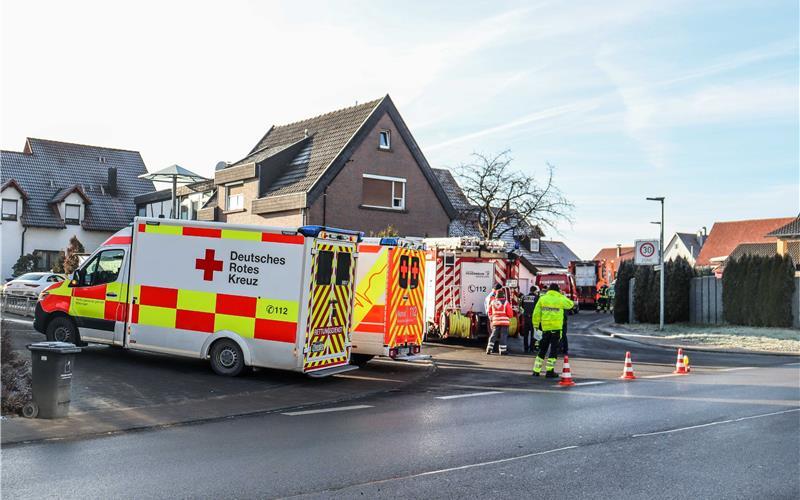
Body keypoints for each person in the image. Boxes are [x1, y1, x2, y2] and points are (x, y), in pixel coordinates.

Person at [532, 283, 575, 378]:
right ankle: (549, 371)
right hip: (556, 328)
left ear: (549, 290)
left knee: (542, 349)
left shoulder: (542, 299)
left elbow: (536, 313)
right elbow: (570, 304)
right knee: (553, 350)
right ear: (558, 290)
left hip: (545, 328)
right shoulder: (560, 299)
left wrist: (536, 325)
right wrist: (561, 295)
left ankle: (536, 370)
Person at [486, 288, 513, 355]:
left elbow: (489, 312)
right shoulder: (506, 302)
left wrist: (491, 318)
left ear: (496, 295)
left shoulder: (492, 302)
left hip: (495, 322)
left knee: (493, 335)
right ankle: (502, 351)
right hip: (504, 323)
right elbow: (510, 314)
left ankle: (489, 349)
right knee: (503, 336)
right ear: (503, 295)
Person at [520, 286, 540, 353]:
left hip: (525, 317)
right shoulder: (536, 297)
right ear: (535, 291)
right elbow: (538, 307)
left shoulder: (524, 297)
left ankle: (526, 348)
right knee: (533, 334)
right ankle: (531, 348)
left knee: (526, 334)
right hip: (533, 317)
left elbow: (522, 306)